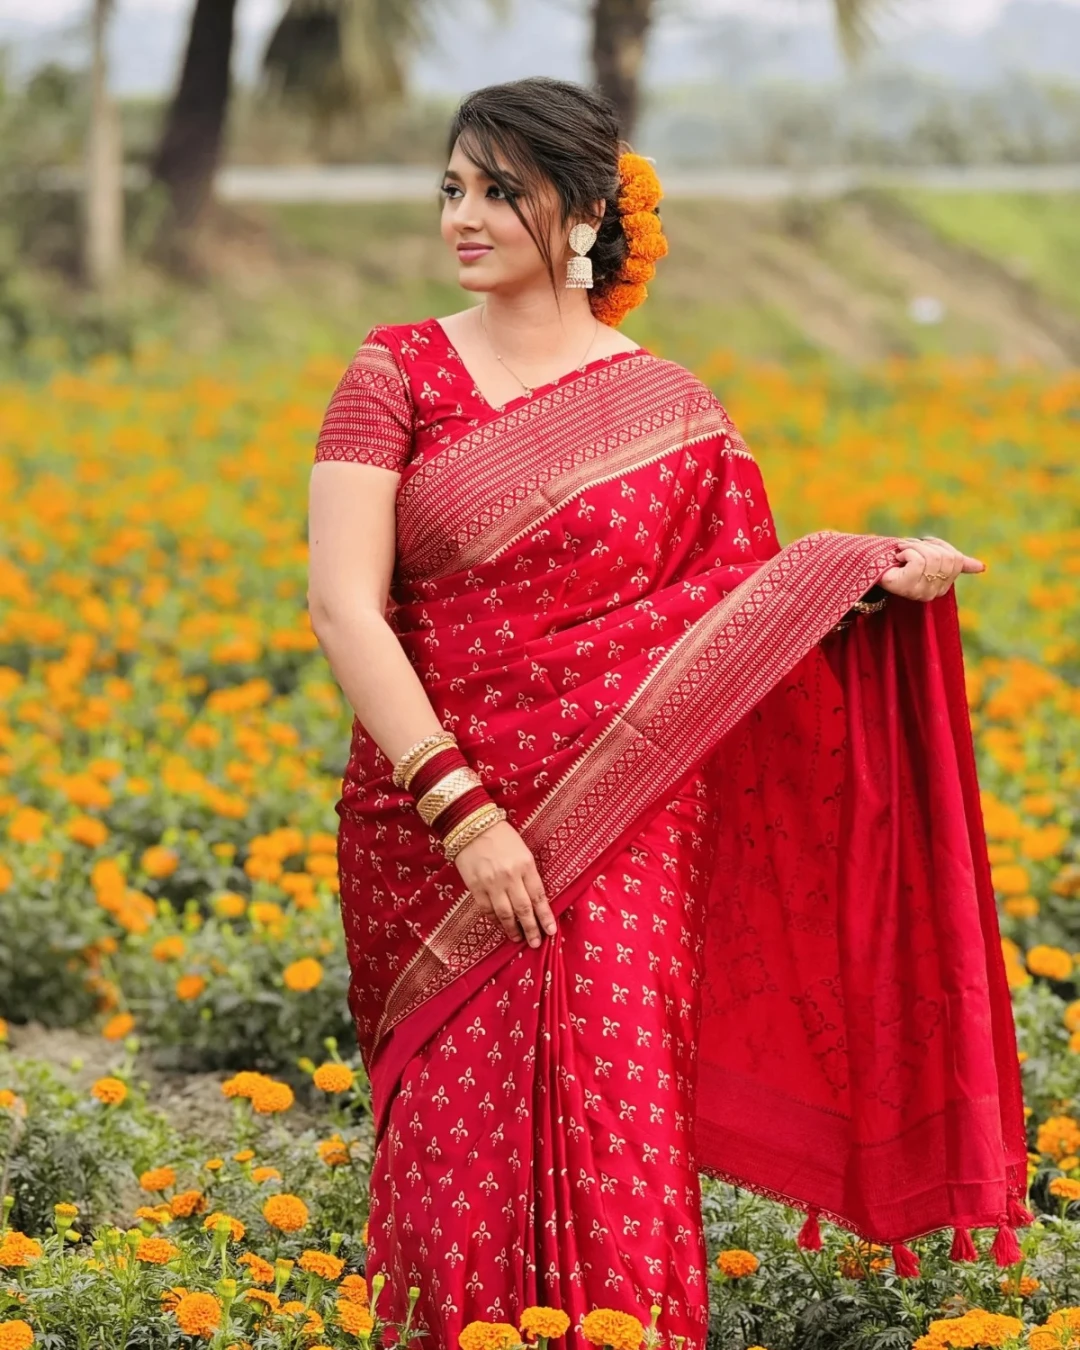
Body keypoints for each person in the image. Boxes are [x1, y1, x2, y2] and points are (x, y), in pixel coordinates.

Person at [307, 76, 1027, 1350]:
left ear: (583, 213)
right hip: (431, 825)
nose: (461, 217)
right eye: (451, 190)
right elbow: (342, 611)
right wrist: (466, 814)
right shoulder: (396, 370)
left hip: (628, 829)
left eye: (497, 191)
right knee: (449, 1166)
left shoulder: (675, 410)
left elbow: (732, 620)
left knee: (614, 1120)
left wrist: (870, 580)